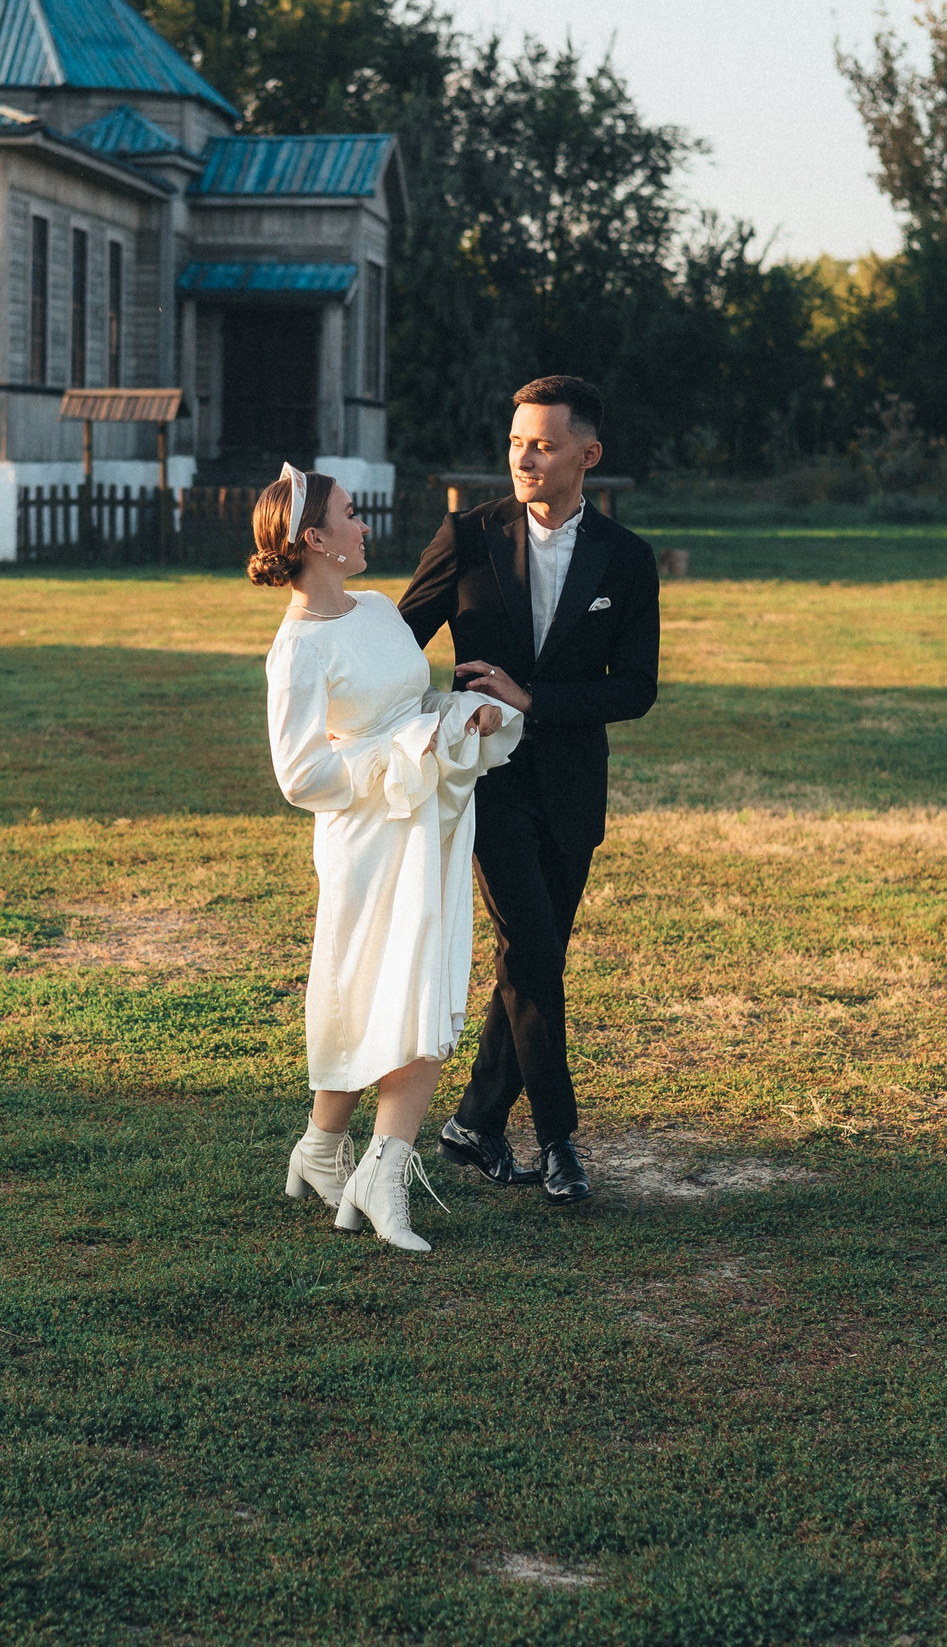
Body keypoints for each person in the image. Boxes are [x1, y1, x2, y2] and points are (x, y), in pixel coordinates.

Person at [397, 376, 661, 1204]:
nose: (524, 458)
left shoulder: (628, 558)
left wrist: (535, 698)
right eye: (516, 442)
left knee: (530, 957)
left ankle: (474, 1122)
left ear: (588, 455)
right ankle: (559, 1140)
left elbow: (636, 688)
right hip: (490, 782)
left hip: (576, 789)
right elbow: (404, 643)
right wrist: (436, 714)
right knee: (537, 952)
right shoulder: (467, 535)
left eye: (543, 444)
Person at [258, 463, 524, 1253]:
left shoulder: (376, 609)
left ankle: (325, 1151)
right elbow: (302, 774)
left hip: (431, 818)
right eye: (350, 514)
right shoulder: (299, 649)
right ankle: (382, 1174)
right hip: (370, 837)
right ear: (316, 540)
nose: (364, 524)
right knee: (390, 989)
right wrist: (402, 757)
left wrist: (454, 718)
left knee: (410, 982)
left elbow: (404, 705)